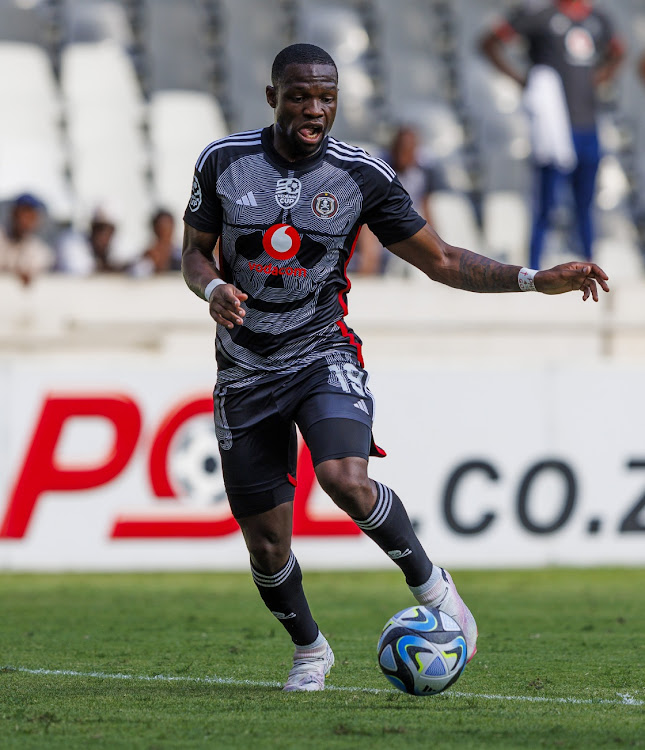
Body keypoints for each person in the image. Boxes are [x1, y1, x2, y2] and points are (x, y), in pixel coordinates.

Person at [181, 43, 609, 692]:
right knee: (267, 547)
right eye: (299, 95)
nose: (313, 109)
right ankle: (309, 651)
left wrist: (533, 279)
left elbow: (440, 260)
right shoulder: (223, 162)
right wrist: (213, 290)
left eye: (325, 97)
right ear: (272, 97)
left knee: (345, 479)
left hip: (321, 353)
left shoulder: (362, 175)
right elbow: (193, 254)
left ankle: (434, 590)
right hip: (243, 371)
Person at [480, 0, 624, 269]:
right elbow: (489, 42)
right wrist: (523, 81)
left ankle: (589, 268)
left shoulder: (597, 18)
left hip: (588, 125)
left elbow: (619, 50)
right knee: (546, 203)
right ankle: (535, 270)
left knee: (585, 203)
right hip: (552, 127)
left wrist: (601, 78)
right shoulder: (539, 16)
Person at [355, 124, 438, 275]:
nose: (403, 155)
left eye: (408, 150)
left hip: (405, 230)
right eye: (399, 149)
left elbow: (426, 208)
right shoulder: (379, 171)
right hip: (377, 231)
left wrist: (436, 243)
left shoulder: (421, 174)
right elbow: (366, 213)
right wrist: (370, 254)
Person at [0, 193, 55, 286]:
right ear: (14, 214)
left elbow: (40, 265)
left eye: (31, 216)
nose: (26, 220)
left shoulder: (38, 249)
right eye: (24, 214)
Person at [56, 204, 125, 275]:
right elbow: (76, 269)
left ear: (113, 231)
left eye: (107, 230)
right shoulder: (72, 242)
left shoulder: (121, 246)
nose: (102, 235)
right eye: (98, 228)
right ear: (92, 228)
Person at [129, 209, 182, 277]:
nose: (165, 232)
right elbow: (134, 274)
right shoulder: (149, 256)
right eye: (161, 228)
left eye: (168, 227)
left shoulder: (181, 254)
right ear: (155, 229)